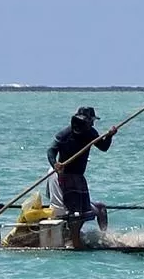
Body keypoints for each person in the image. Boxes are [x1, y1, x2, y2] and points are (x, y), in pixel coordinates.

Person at [47, 106, 117, 248]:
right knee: (76, 213)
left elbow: (103, 147)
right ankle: (76, 243)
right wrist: (55, 164)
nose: (93, 124)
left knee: (95, 209)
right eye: (91, 121)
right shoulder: (65, 134)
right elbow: (51, 150)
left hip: (79, 176)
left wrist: (109, 136)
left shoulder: (90, 133)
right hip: (66, 177)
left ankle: (103, 238)